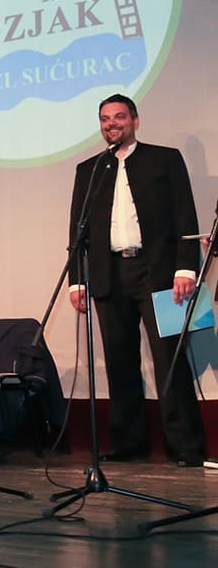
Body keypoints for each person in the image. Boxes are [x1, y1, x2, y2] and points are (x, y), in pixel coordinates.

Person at [68, 93, 206, 467]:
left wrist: (185, 268)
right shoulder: (90, 169)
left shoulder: (165, 159)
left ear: (135, 120)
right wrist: (77, 280)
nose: (111, 124)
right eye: (105, 119)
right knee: (119, 362)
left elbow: (185, 214)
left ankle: (187, 447)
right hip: (109, 274)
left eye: (119, 117)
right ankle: (129, 444)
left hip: (159, 272)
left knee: (169, 359)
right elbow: (77, 229)